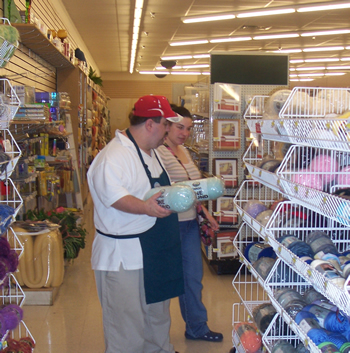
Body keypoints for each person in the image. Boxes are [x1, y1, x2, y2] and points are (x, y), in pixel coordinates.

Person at [87, 95, 185, 353]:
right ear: (150, 124)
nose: (168, 131)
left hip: (154, 252)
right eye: (166, 124)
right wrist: (145, 208)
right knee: (126, 327)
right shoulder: (114, 156)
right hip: (123, 256)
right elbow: (114, 197)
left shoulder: (154, 153)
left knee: (157, 318)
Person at [157, 105, 223, 342]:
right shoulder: (158, 151)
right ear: (166, 124)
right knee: (163, 280)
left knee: (193, 277)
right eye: (179, 127)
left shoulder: (183, 150)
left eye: (188, 128)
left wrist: (206, 213)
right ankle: (157, 337)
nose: (184, 133)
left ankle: (196, 327)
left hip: (189, 224)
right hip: (167, 224)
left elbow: (194, 189)